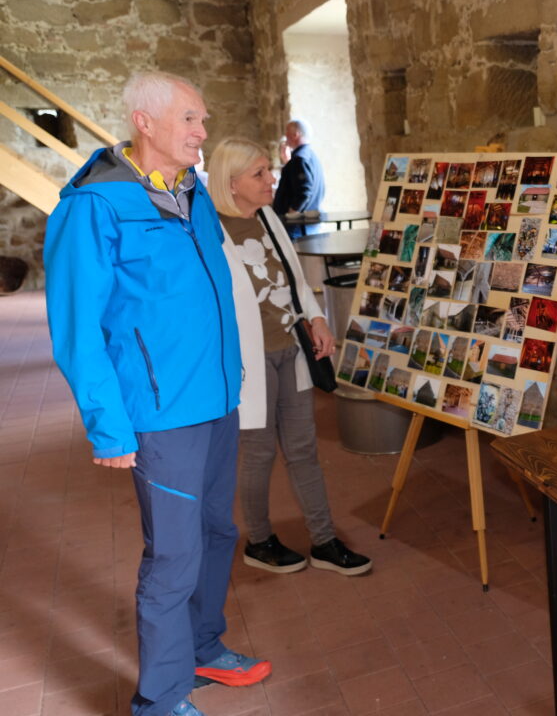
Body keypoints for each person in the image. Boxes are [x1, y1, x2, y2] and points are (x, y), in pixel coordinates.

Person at [44, 72, 269, 716]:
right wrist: (108, 426)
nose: (203, 133)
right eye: (191, 121)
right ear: (146, 123)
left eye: (203, 119)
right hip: (161, 413)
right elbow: (77, 326)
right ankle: (160, 699)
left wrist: (233, 375)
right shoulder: (95, 205)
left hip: (216, 399)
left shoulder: (191, 190)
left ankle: (203, 647)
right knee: (174, 556)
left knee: (218, 531)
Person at [208, 136, 372, 576]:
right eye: (259, 173)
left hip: (291, 350)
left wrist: (316, 317)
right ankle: (259, 541)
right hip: (249, 361)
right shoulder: (207, 231)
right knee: (258, 454)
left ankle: (324, 541)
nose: (271, 179)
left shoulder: (268, 218)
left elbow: (295, 282)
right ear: (232, 182)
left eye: (269, 169)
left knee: (303, 450)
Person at [273, 118, 325, 237]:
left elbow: (304, 192)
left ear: (295, 134)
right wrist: (287, 162)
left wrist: (291, 215)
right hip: (308, 224)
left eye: (287, 132)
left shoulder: (299, 159)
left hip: (298, 226)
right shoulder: (310, 155)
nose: (285, 136)